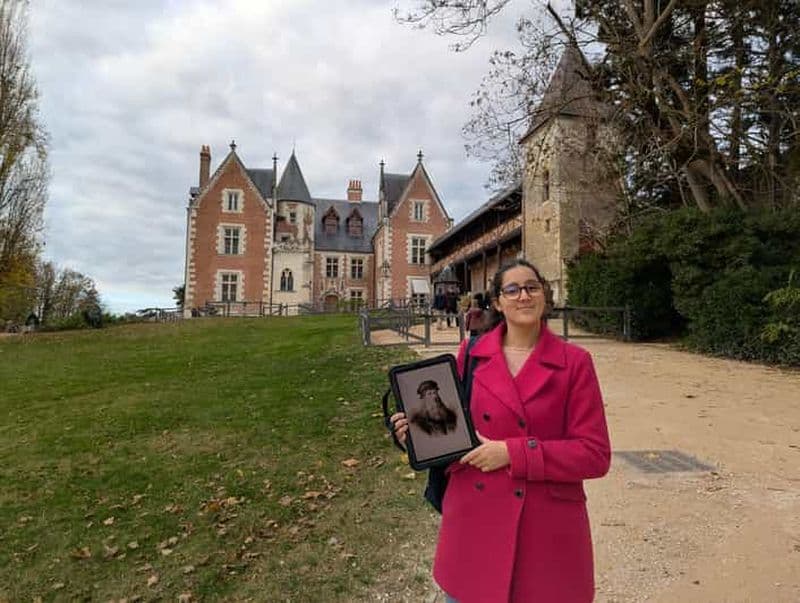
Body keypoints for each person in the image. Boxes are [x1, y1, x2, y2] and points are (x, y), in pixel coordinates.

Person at [389, 259, 611, 603]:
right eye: (512, 289)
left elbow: (594, 455)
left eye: (532, 287)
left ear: (544, 296)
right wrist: (416, 436)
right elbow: (453, 432)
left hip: (546, 533)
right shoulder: (472, 354)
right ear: (497, 301)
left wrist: (512, 453)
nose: (523, 296)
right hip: (475, 525)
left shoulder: (575, 363)